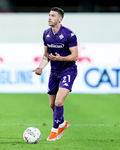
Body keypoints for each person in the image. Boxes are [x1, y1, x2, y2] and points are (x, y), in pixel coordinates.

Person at [33, 7, 78, 141]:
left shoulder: (69, 35)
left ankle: (55, 131)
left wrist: (61, 58)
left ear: (60, 19)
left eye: (52, 15)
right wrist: (40, 68)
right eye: (49, 15)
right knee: (52, 105)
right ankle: (62, 123)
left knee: (59, 102)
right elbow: (46, 55)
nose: (49, 18)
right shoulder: (46, 34)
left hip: (68, 71)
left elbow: (75, 56)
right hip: (54, 73)